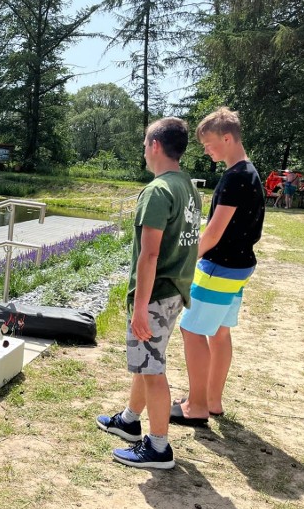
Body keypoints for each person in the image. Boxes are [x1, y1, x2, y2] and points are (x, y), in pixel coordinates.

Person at [96, 118, 202, 469]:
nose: (143, 150)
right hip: (174, 291)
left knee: (152, 370)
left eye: (145, 144)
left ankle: (158, 447)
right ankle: (129, 421)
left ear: (155, 146)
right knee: (146, 362)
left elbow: (150, 253)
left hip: (154, 295)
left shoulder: (157, 191)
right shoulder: (187, 185)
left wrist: (140, 306)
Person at [172, 107, 265, 424]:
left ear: (227, 138)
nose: (206, 150)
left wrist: (184, 260)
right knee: (220, 332)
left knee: (191, 330)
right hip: (240, 268)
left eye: (209, 144)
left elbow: (212, 233)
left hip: (219, 268)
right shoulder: (251, 173)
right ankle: (211, 400)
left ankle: (195, 407)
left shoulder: (234, 178)